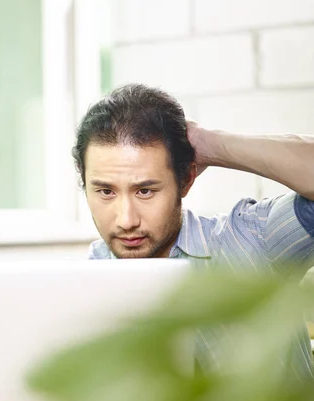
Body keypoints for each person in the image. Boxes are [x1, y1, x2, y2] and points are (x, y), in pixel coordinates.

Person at [73, 83, 314, 376]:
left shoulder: (254, 239)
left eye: (145, 191)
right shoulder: (85, 282)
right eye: (106, 192)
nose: (126, 220)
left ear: (186, 180)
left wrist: (208, 143)